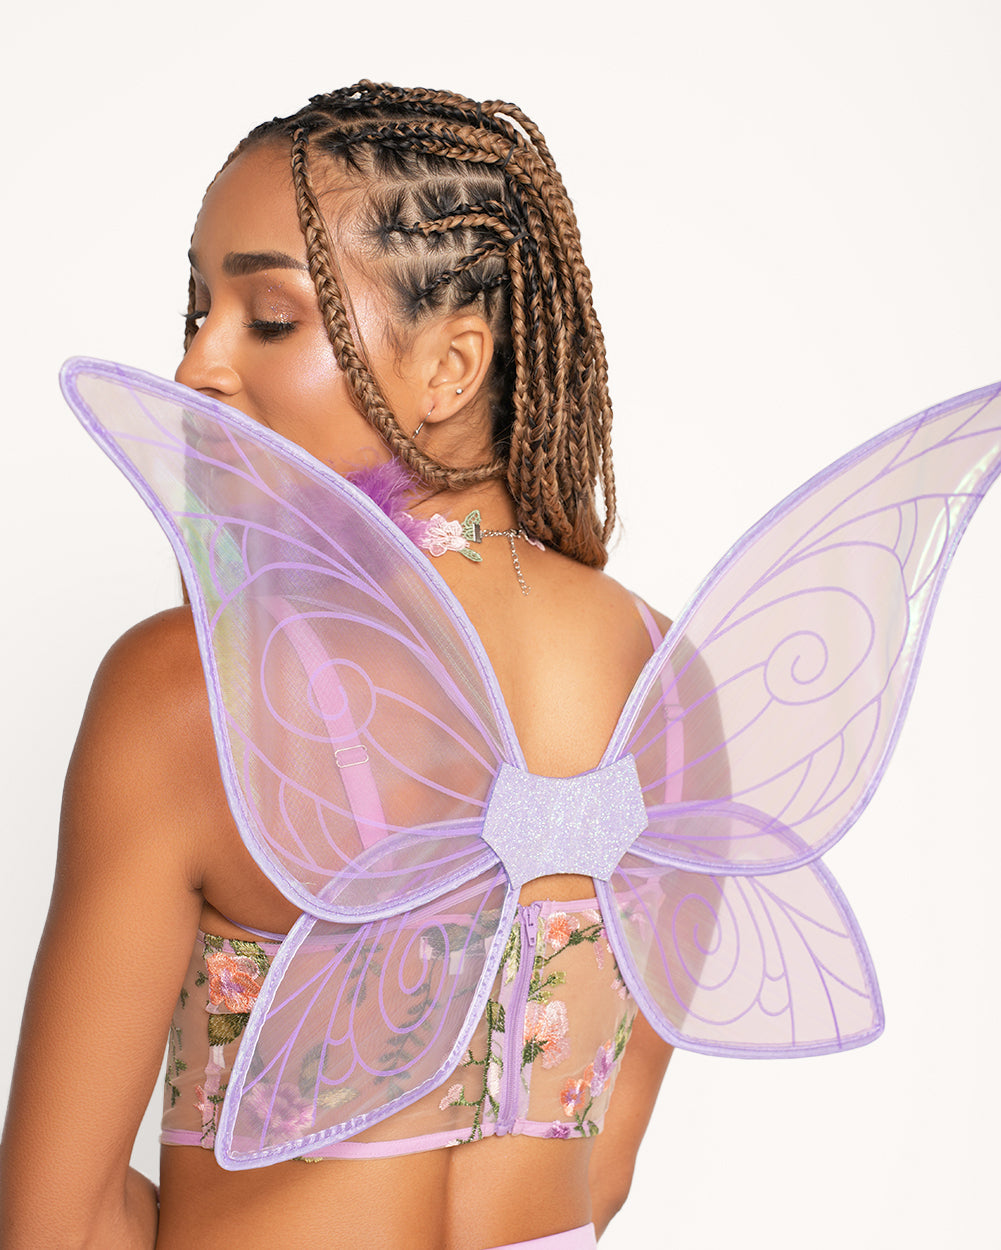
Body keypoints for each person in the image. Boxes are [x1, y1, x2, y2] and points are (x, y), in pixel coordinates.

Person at [0, 82, 675, 1249]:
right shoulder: (664, 677)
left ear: (450, 364)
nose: (195, 364)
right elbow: (600, 1168)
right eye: (197, 308)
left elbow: (53, 1224)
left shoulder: (188, 690)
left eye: (267, 317)